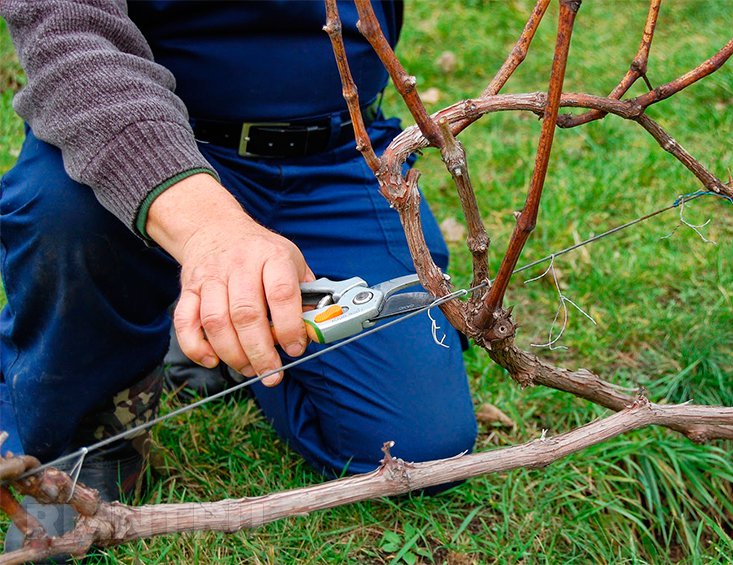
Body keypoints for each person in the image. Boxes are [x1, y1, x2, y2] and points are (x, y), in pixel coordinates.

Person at [0, 0, 477, 554]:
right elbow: (70, 40)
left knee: (425, 449)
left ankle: (223, 330)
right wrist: (207, 229)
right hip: (139, 136)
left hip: (339, 156)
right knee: (64, 214)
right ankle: (85, 434)